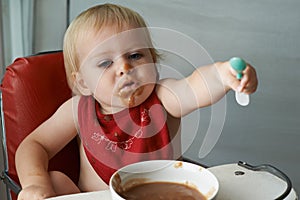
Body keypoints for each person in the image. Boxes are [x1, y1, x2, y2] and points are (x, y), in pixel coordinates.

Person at [15, 3, 258, 200]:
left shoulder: (164, 98)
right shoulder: (77, 110)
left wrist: (222, 76)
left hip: (160, 196)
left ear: (153, 61)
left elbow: (194, 87)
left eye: (135, 55)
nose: (124, 68)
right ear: (83, 83)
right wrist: (35, 182)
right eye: (105, 63)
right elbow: (35, 144)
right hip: (93, 197)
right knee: (55, 180)